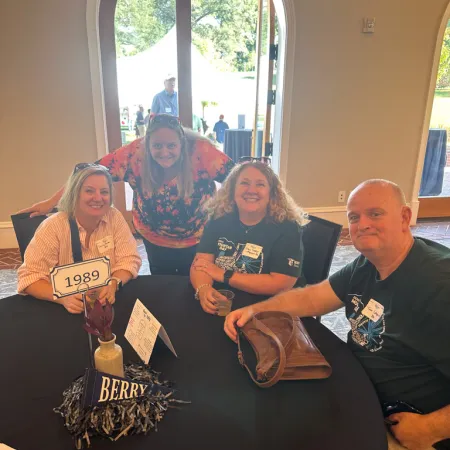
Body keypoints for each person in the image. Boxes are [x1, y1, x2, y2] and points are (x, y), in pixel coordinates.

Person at [224, 179, 450, 450]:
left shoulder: (438, 284)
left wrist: (429, 429)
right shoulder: (367, 263)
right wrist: (256, 309)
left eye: (375, 214)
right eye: (354, 217)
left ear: (404, 217)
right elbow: (313, 297)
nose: (362, 224)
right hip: (356, 388)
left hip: (405, 424)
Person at [19, 114, 234, 275]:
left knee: (196, 284)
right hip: (154, 237)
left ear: (182, 144)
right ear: (146, 144)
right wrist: (51, 202)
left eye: (171, 146)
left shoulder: (202, 152)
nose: (164, 152)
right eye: (157, 146)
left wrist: (229, 217)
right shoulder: (133, 154)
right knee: (162, 284)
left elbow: (238, 180)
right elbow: (87, 174)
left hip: (198, 238)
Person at [17, 165, 142, 314]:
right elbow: (30, 277)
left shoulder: (114, 217)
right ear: (75, 193)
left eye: (104, 192)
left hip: (106, 304)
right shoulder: (53, 227)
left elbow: (129, 259)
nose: (98, 198)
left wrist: (113, 283)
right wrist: (61, 297)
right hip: (63, 308)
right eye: (89, 191)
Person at [191, 161, 307, 315]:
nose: (251, 190)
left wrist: (224, 275)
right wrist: (203, 289)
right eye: (244, 183)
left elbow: (280, 283)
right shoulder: (218, 218)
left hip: (270, 307)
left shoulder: (288, 227)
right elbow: (201, 263)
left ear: (272, 193)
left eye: (260, 185)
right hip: (226, 301)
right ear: (232, 190)